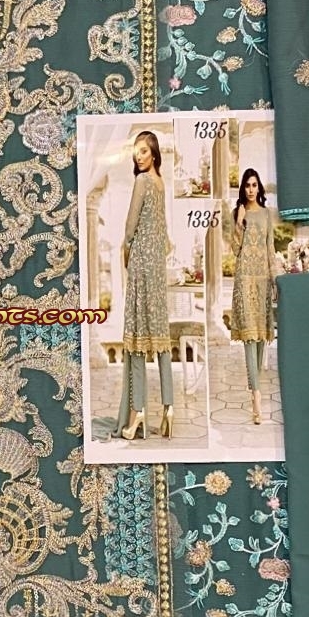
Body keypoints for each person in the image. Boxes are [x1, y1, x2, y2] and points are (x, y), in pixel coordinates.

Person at [114, 131, 174, 440]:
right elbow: (164, 234)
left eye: (144, 151)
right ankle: (168, 408)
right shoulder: (161, 184)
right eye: (136, 151)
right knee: (161, 338)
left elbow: (130, 226)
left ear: (154, 154)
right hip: (158, 267)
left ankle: (137, 412)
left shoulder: (142, 181)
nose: (139, 156)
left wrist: (126, 251)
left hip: (140, 263)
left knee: (137, 337)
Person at [230, 167, 278, 424]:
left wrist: (274, 280)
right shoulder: (238, 212)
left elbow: (270, 248)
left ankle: (255, 387)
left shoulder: (267, 214)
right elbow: (234, 248)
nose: (250, 189)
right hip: (244, 279)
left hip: (262, 281)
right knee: (249, 338)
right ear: (243, 188)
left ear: (258, 188)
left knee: (260, 338)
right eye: (247, 185)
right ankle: (256, 397)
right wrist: (239, 222)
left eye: (254, 185)